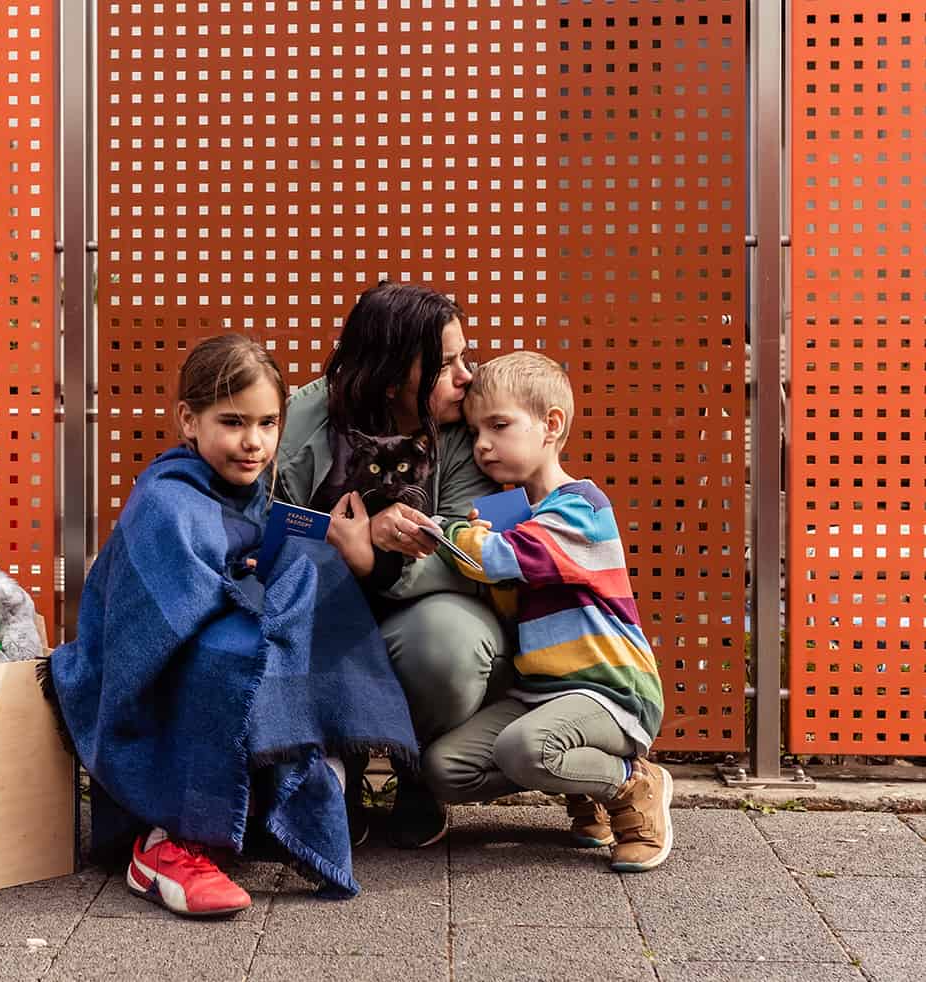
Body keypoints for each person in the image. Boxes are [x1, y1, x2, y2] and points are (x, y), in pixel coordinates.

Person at [45, 334, 418, 918]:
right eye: (233, 422)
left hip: (204, 655)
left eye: (269, 423)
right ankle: (169, 842)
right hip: (150, 678)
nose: (254, 442)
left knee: (305, 582)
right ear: (187, 421)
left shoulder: (252, 495)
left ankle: (264, 796)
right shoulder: (168, 500)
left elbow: (260, 564)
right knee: (231, 653)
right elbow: (162, 621)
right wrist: (256, 587)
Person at [273, 282, 506, 848]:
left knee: (450, 642)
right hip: (319, 616)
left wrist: (378, 557)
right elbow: (262, 526)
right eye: (447, 363)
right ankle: (331, 771)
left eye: (465, 357)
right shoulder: (304, 418)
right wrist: (332, 536)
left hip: (412, 621)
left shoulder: (467, 429)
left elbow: (477, 546)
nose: (467, 376)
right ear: (391, 376)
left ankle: (406, 763)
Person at [425, 351, 672, 871]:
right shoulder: (516, 513)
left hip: (609, 692)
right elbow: (507, 591)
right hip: (541, 695)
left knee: (524, 747)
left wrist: (442, 530)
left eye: (499, 425)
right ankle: (583, 784)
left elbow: (495, 559)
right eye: (473, 432)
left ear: (551, 425)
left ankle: (632, 786)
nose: (482, 445)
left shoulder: (581, 507)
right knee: (445, 769)